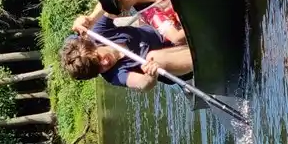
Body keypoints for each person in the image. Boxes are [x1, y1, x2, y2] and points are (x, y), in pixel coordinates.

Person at [58, 13, 194, 90]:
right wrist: (149, 76)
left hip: (167, 32)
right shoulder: (115, 76)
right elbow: (142, 84)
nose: (105, 62)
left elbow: (111, 0)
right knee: (153, 57)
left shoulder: (98, 32)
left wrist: (90, 18)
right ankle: (205, 55)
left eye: (99, 58)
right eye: (100, 68)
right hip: (178, 65)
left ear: (93, 45)